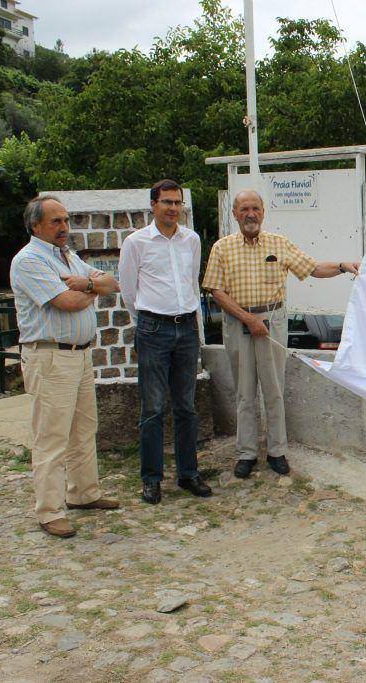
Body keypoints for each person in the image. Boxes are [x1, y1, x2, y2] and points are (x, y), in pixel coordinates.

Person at [202, 190, 360, 479]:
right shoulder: (222, 248)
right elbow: (216, 291)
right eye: (245, 209)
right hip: (239, 323)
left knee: (273, 389)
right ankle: (246, 453)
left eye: (256, 208)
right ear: (235, 214)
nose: (251, 214)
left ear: (263, 212)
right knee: (244, 392)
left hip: (272, 322)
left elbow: (312, 268)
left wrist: (342, 266)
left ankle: (277, 451)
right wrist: (248, 319)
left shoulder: (279, 244)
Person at [10, 196, 121, 538]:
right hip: (51, 357)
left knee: (84, 428)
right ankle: (49, 510)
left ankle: (84, 493)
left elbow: (111, 283)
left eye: (65, 220)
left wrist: (85, 284)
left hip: (80, 355)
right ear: (36, 226)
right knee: (52, 436)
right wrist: (88, 287)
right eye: (55, 221)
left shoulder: (66, 256)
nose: (63, 228)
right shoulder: (29, 260)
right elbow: (67, 303)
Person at [119, 179, 210, 504]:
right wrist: (146, 322)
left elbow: (191, 282)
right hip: (153, 329)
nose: (173, 208)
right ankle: (152, 478)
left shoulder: (192, 240)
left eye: (177, 202)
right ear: (154, 205)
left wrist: (192, 326)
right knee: (153, 408)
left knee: (186, 407)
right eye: (167, 202)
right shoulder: (136, 242)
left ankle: (188, 473)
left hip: (186, 328)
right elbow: (129, 291)